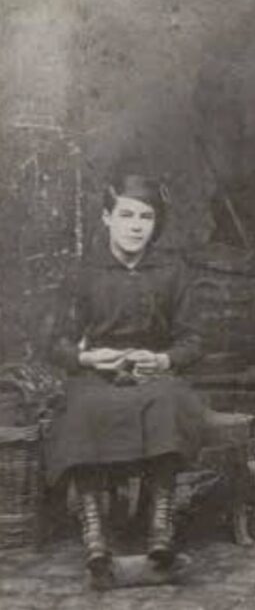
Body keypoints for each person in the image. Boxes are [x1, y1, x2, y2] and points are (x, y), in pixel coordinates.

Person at [47, 175, 207, 587]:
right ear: (106, 218)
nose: (136, 226)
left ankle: (160, 529)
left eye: (146, 217)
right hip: (97, 376)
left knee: (170, 402)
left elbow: (194, 341)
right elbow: (54, 344)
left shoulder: (173, 273)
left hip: (152, 377)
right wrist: (86, 356)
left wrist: (162, 358)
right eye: (126, 215)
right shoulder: (84, 275)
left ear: (156, 224)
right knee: (80, 407)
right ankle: (95, 535)